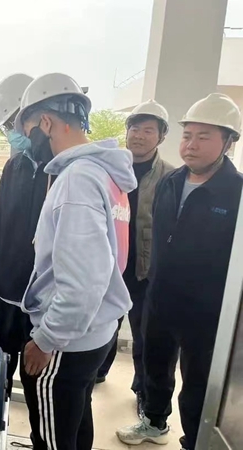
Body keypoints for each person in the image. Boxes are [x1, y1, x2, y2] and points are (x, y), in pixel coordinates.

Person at [16, 73, 136, 450]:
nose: (28, 141)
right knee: (75, 425)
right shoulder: (105, 173)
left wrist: (46, 339)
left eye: (29, 130)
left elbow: (83, 280)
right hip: (95, 330)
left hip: (67, 341)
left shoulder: (78, 179)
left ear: (46, 122)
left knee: (51, 439)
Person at [117, 93, 243, 450]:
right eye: (188, 136)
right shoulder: (170, 182)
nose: (191, 145)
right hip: (160, 297)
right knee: (155, 367)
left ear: (228, 142)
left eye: (204, 137)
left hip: (206, 310)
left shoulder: (235, 192)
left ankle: (194, 441)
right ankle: (154, 423)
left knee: (198, 382)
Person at [95, 100, 174, 417]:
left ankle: (144, 394)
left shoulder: (170, 177)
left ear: (161, 137)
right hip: (111, 266)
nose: (138, 135)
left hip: (145, 271)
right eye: (134, 128)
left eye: (148, 130)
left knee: (146, 339)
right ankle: (97, 372)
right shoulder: (110, 170)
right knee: (102, 326)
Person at [0, 73, 55, 394]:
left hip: (41, 300)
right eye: (9, 125)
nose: (15, 131)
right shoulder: (15, 167)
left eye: (18, 121)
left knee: (36, 379)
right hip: (6, 290)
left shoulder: (63, 170)